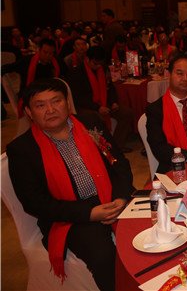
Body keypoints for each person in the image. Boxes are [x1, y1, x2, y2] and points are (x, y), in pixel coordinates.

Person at [6, 78, 134, 291]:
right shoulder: (22, 149)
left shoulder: (90, 123)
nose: (50, 110)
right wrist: (89, 213)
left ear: (67, 102)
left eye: (56, 101)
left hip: (111, 196)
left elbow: (119, 164)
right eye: (40, 105)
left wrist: (121, 198)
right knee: (104, 255)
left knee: (150, 222)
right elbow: (34, 202)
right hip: (69, 216)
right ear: (29, 112)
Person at [66, 46, 135, 152]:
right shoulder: (77, 72)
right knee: (96, 118)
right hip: (87, 106)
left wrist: (114, 102)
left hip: (104, 103)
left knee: (127, 113)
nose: (98, 66)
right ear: (87, 59)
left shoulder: (102, 69)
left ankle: (116, 146)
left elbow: (110, 88)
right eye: (95, 63)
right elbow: (78, 98)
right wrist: (97, 107)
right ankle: (102, 149)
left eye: (100, 63)